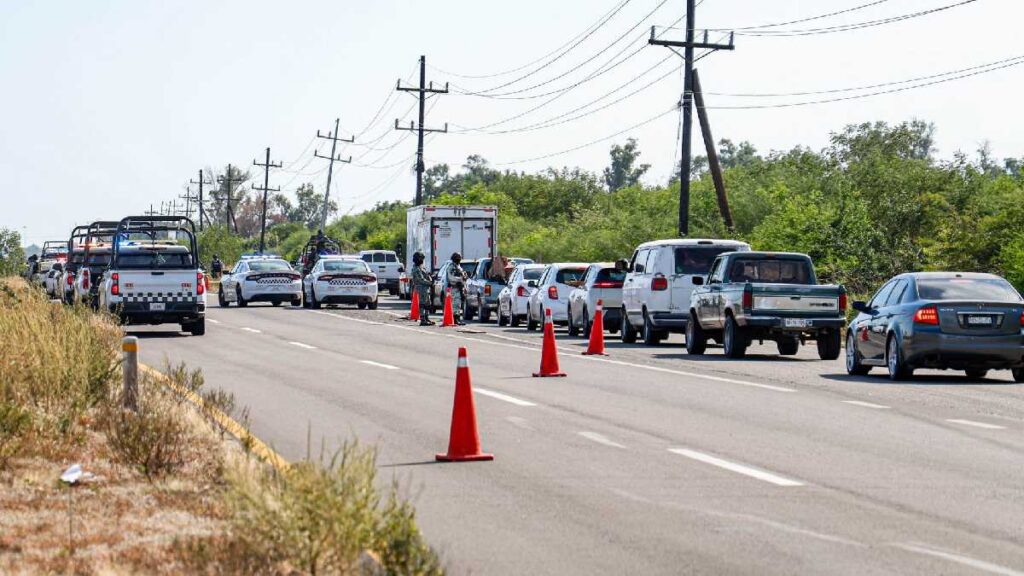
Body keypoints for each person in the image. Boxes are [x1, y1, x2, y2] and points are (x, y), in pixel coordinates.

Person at [411, 251, 434, 326]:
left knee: (427, 304)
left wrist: (431, 277)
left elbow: (426, 275)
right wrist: (430, 283)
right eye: (421, 258)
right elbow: (421, 280)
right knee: (422, 304)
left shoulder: (421, 267)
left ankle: (427, 318)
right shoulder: (416, 269)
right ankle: (423, 319)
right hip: (421, 288)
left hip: (425, 288)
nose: (422, 260)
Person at [447, 252, 469, 325]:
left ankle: (458, 318)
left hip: (460, 288)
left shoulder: (458, 266)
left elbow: (463, 276)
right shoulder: (451, 267)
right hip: (454, 287)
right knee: (455, 304)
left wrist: (464, 277)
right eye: (458, 258)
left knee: (459, 304)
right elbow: (451, 277)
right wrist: (460, 279)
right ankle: (455, 319)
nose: (459, 259)